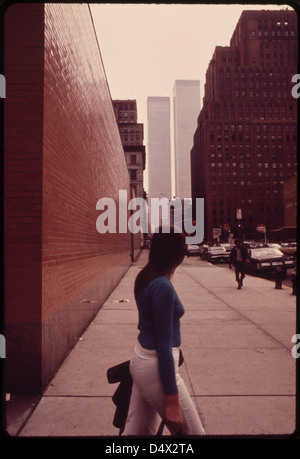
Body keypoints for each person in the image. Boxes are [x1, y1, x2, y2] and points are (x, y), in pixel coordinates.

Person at [122, 227, 205, 436]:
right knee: (194, 434)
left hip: (142, 361)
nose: (185, 250)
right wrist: (172, 401)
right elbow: (164, 346)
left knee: (136, 432)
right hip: (155, 367)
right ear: (174, 251)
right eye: (182, 245)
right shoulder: (162, 286)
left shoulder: (147, 277)